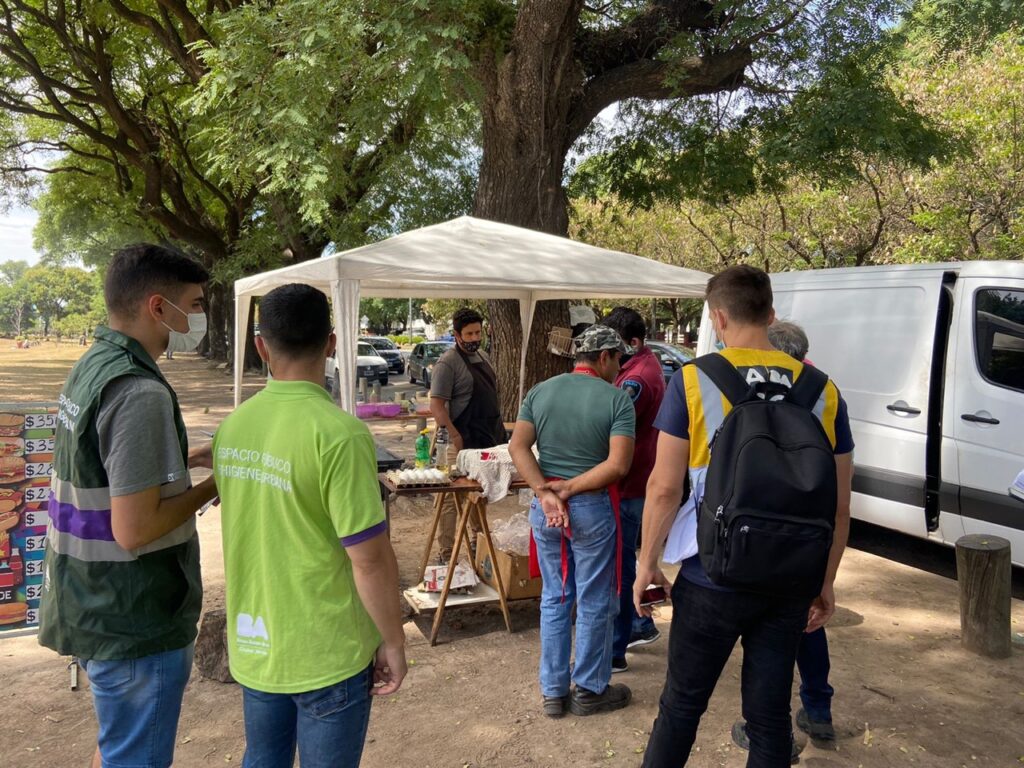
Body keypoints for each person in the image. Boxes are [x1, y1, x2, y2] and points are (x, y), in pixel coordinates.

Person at [636, 265, 854, 767]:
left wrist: (648, 564)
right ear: (771, 314)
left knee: (682, 706)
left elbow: (664, 488)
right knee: (770, 717)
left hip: (711, 575)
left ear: (718, 317)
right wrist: (826, 581)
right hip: (789, 582)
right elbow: (840, 505)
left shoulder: (694, 380)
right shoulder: (824, 391)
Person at [38, 244, 217, 768]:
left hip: (91, 602)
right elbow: (136, 527)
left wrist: (197, 455)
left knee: (117, 746)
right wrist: (214, 484)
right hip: (135, 617)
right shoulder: (139, 391)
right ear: (159, 307)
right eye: (196, 303)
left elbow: (112, 468)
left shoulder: (95, 365)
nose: (201, 317)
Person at [213, 284, 407, 768]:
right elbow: (370, 560)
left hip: (257, 644)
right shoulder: (340, 435)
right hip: (327, 651)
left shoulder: (233, 428)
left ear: (261, 345)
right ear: (332, 343)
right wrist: (394, 639)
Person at [509, 325, 636, 719]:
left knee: (555, 596)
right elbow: (619, 465)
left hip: (545, 510)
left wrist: (545, 491)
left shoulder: (540, 391)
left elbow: (518, 446)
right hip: (591, 508)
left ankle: (553, 691)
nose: (619, 367)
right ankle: (590, 689)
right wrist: (570, 489)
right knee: (596, 599)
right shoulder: (618, 400)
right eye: (617, 359)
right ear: (604, 358)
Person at [600, 307, 666, 673]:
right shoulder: (639, 366)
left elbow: (611, 422)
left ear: (633, 342)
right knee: (626, 563)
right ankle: (640, 623)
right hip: (634, 479)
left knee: (621, 568)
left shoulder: (637, 378)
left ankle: (616, 648)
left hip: (630, 481)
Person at [430, 307, 506, 561]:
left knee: (479, 493)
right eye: (469, 333)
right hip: (458, 440)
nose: (475, 338)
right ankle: (446, 553)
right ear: (456, 334)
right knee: (451, 498)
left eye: (478, 332)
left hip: (483, 439)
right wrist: (454, 436)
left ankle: (478, 544)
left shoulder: (483, 356)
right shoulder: (447, 363)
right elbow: (437, 406)